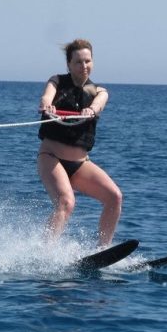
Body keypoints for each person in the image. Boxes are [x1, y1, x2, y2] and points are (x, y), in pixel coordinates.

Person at [37, 39, 123, 247]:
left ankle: (103, 250)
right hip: (51, 158)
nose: (84, 66)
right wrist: (48, 106)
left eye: (87, 61)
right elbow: (46, 97)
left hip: (80, 164)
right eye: (78, 62)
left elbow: (99, 104)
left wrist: (91, 110)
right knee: (66, 203)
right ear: (69, 64)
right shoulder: (56, 81)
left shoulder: (100, 92)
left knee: (114, 197)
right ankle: (43, 253)